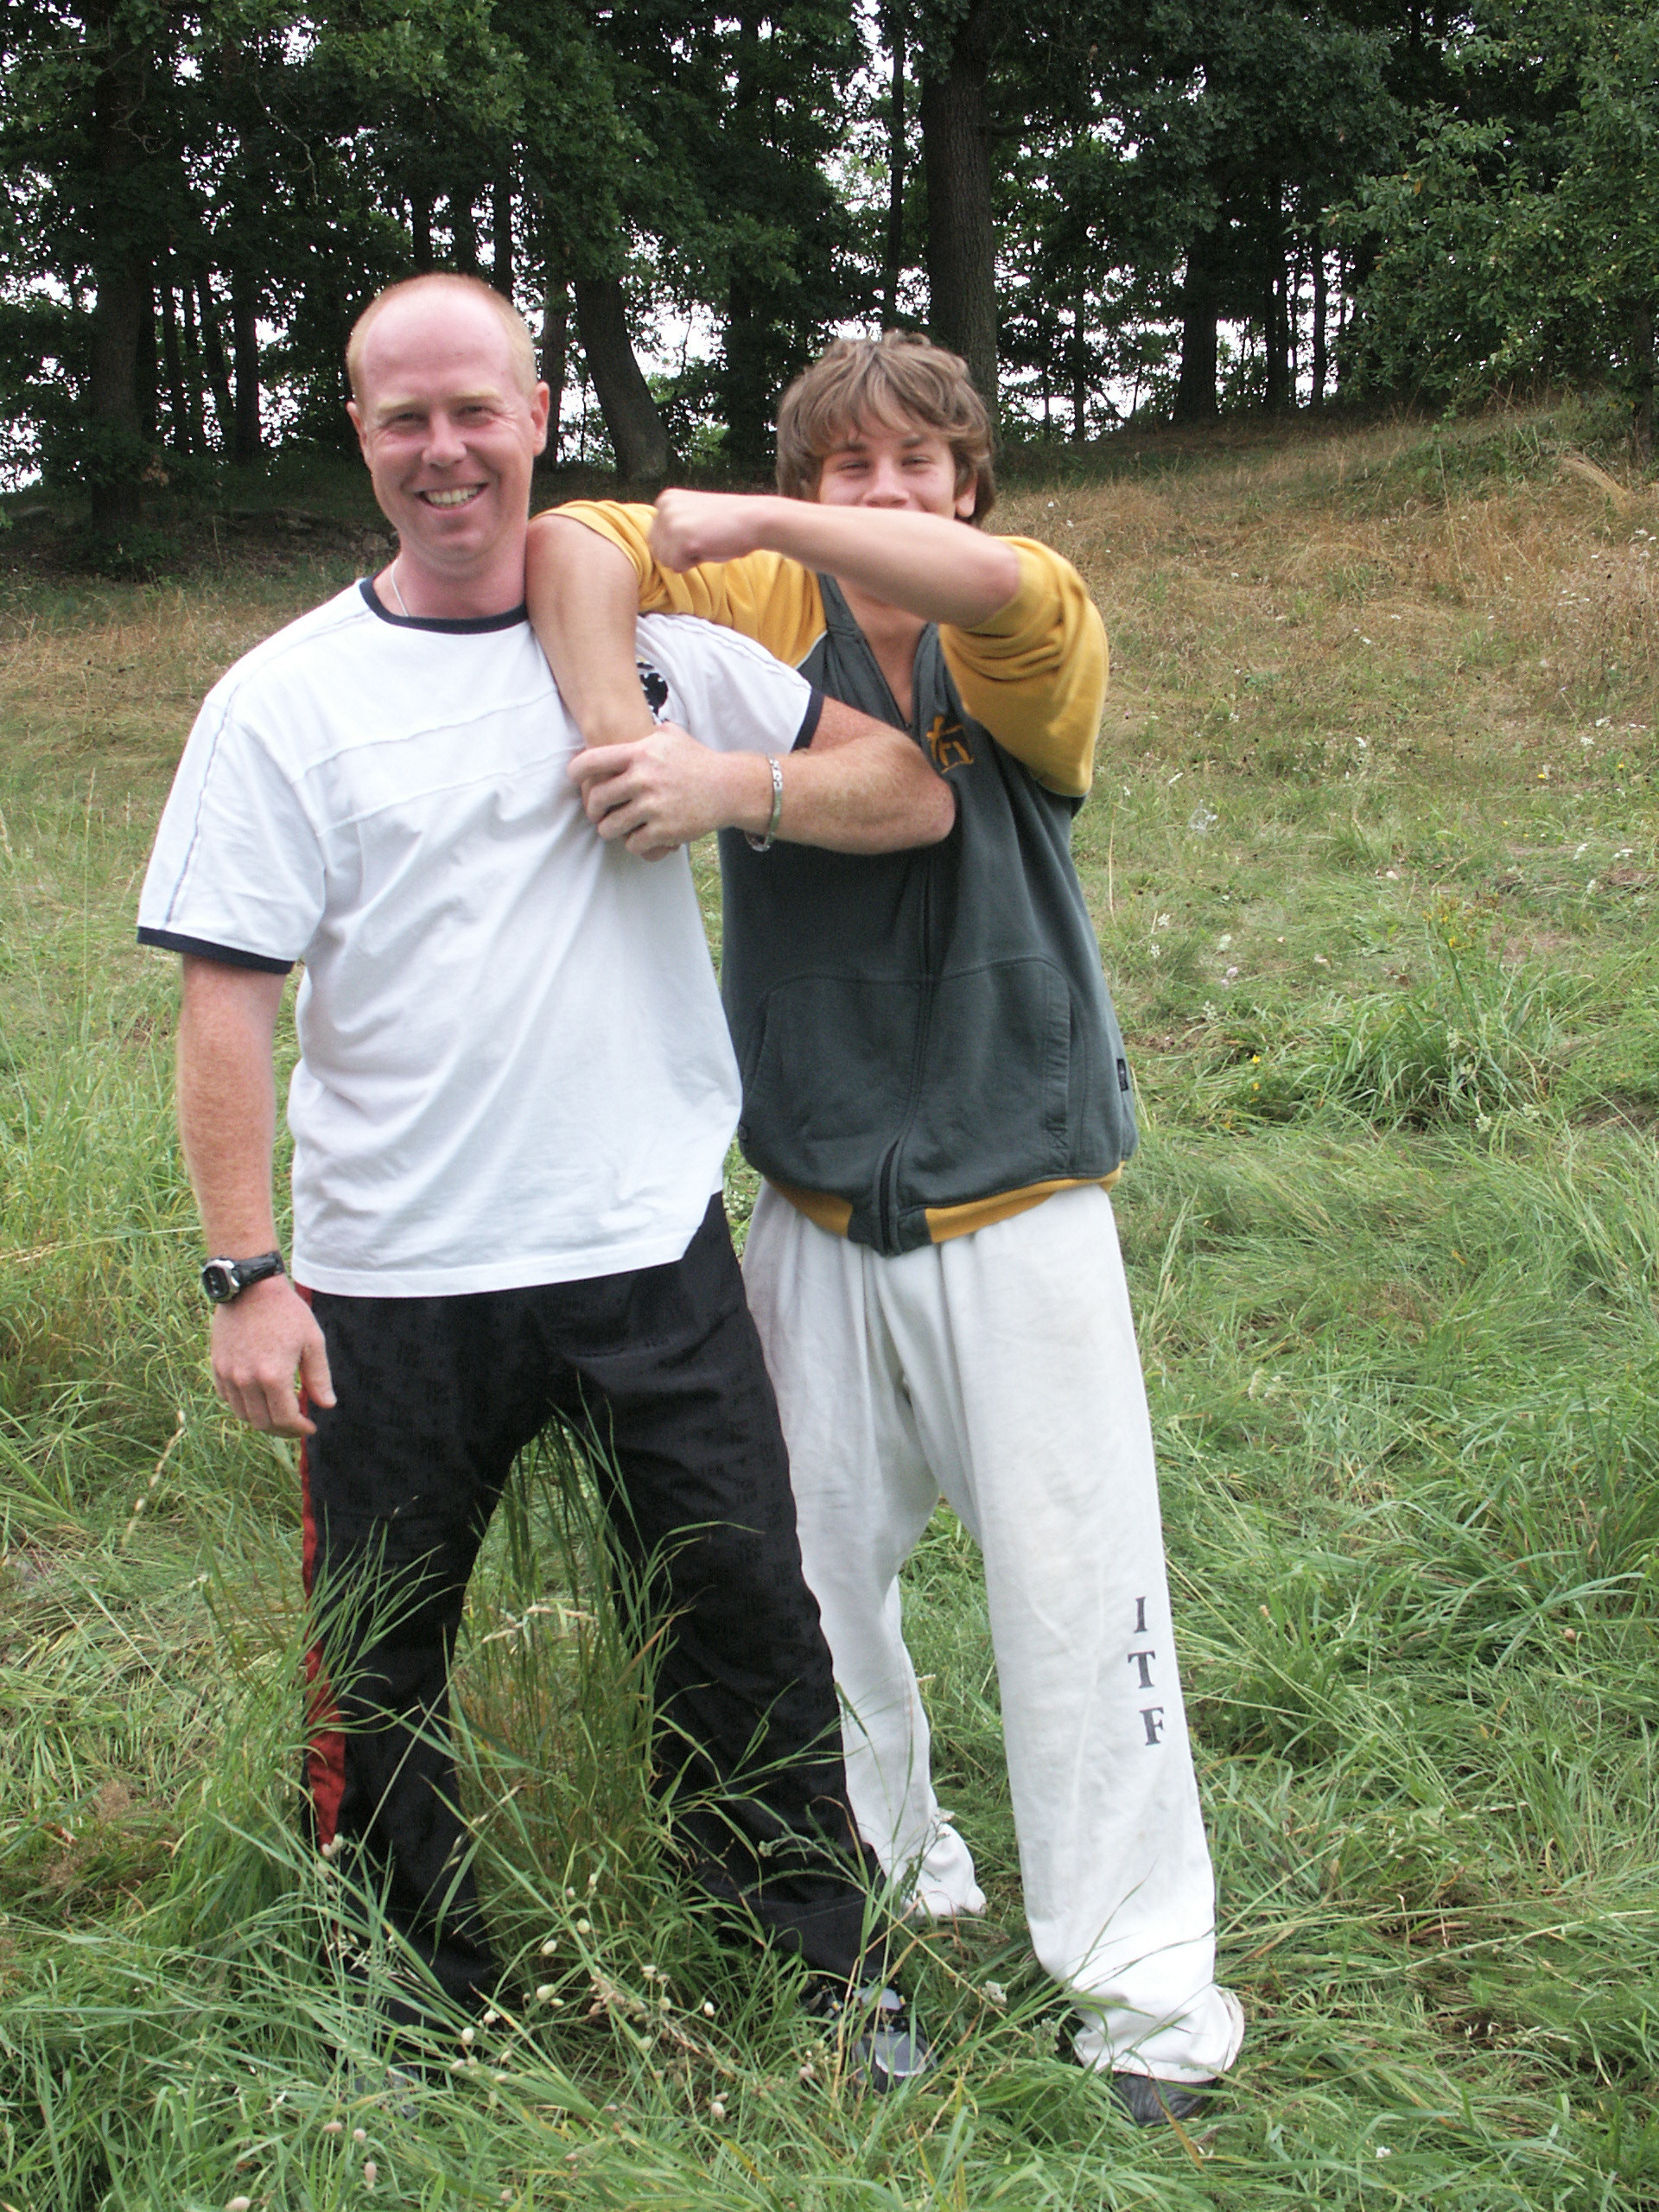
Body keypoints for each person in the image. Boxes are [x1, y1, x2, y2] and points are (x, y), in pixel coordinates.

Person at [136, 277, 954, 2061]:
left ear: (538, 414)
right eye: (405, 418)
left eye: (475, 411)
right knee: (379, 1660)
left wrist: (728, 786)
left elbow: (912, 790)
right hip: (389, 1283)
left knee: (746, 1614)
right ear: (361, 434)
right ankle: (406, 2003)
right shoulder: (283, 702)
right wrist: (246, 1273)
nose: (444, 451)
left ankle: (813, 1972)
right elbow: (225, 1008)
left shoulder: (674, 654)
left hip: (646, 1247)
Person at [523, 331, 1245, 2121]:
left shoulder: (1029, 622)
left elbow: (987, 584)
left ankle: (1148, 1996)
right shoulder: (771, 610)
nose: (886, 491)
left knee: (1078, 1600)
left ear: (970, 483)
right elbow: (576, 544)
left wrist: (762, 544)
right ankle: (896, 1869)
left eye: (918, 463)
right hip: (812, 1192)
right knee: (804, 1578)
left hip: (1023, 1196)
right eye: (847, 467)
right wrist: (630, 736)